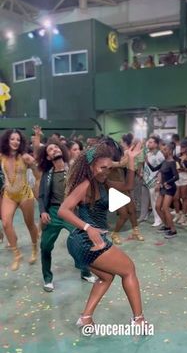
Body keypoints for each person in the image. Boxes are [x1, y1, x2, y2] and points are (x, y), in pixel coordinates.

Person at [58, 142, 146, 328]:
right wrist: (88, 227)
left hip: (81, 241)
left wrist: (130, 159)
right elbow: (63, 210)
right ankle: (139, 320)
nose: (106, 171)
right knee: (129, 269)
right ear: (90, 167)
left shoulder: (102, 182)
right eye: (102, 167)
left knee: (106, 277)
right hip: (86, 240)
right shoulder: (86, 185)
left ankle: (85, 318)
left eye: (109, 166)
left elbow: (128, 185)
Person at [37, 139, 95, 292]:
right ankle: (47, 279)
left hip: (71, 212)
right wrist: (43, 211)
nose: (54, 149)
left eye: (56, 147)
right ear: (48, 157)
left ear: (62, 150)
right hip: (54, 213)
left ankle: (85, 272)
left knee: (82, 242)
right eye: (50, 149)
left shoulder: (74, 170)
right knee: (45, 247)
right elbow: (41, 196)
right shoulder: (47, 175)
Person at [0, 129, 39, 270]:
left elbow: (38, 171)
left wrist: (33, 164)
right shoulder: (1, 156)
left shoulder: (24, 157)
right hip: (9, 195)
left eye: (18, 139)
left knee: (30, 224)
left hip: (24, 195)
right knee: (5, 223)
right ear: (7, 141)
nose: (15, 142)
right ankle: (17, 255)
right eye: (12, 139)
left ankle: (35, 248)